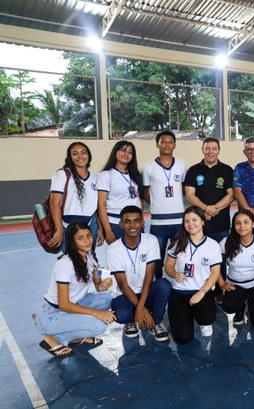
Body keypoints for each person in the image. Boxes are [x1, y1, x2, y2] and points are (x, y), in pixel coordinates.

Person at [34, 222, 115, 358]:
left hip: (74, 305)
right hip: (53, 314)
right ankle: (54, 338)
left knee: (108, 297)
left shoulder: (91, 256)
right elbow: (64, 304)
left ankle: (75, 337)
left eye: (89, 235)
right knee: (99, 326)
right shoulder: (66, 264)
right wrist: (97, 313)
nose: (87, 240)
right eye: (80, 238)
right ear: (72, 241)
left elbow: (98, 284)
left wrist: (103, 285)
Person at [107, 206, 171, 342]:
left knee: (164, 285)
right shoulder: (113, 249)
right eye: (127, 221)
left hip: (146, 291)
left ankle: (155, 323)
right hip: (125, 294)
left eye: (136, 221)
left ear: (142, 223)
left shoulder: (151, 240)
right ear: (121, 224)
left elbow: (149, 276)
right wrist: (142, 309)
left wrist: (141, 308)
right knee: (122, 315)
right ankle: (130, 320)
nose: (132, 225)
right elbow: (123, 285)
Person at [165, 207, 222, 342]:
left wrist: (202, 292)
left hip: (201, 291)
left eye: (194, 220)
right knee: (182, 338)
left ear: (202, 221)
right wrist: (174, 274)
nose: (191, 224)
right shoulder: (178, 243)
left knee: (206, 318)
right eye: (187, 221)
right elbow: (168, 266)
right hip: (179, 292)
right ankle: (186, 315)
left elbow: (215, 272)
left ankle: (204, 322)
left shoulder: (212, 245)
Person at [142, 131, 187, 279]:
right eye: (163, 141)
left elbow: (185, 189)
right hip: (158, 222)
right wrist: (156, 203)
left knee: (180, 256)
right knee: (157, 258)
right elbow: (144, 192)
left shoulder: (182, 165)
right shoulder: (148, 167)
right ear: (157, 144)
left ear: (174, 145)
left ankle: (180, 282)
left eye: (170, 142)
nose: (167, 144)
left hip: (178, 221)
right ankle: (158, 284)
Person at [219, 210, 254, 328]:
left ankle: (252, 304)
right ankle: (241, 307)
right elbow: (215, 266)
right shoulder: (226, 242)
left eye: (246, 222)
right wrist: (222, 284)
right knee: (228, 306)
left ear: (253, 224)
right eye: (238, 223)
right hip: (235, 285)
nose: (242, 226)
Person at [48, 142, 102, 253]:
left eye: (83, 153)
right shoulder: (63, 175)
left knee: (90, 260)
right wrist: (59, 230)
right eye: (75, 154)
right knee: (71, 262)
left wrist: (100, 229)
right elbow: (54, 204)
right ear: (70, 157)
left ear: (89, 155)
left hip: (90, 226)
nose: (80, 157)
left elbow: (97, 207)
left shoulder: (96, 177)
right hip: (67, 226)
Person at [185, 137, 234, 243]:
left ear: (219, 150)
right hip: (198, 225)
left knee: (222, 256)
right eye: (207, 148)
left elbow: (231, 195)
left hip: (221, 225)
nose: (210, 152)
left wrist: (211, 210)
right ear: (202, 150)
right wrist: (205, 208)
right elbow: (189, 195)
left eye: (214, 148)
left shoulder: (228, 170)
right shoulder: (193, 170)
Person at [98, 141, 143, 244]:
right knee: (119, 257)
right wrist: (108, 230)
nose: (126, 154)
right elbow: (101, 205)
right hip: (115, 223)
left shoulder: (135, 175)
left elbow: (140, 198)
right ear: (115, 152)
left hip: (135, 223)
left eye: (130, 152)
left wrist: (141, 220)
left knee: (137, 255)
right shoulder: (106, 175)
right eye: (123, 150)